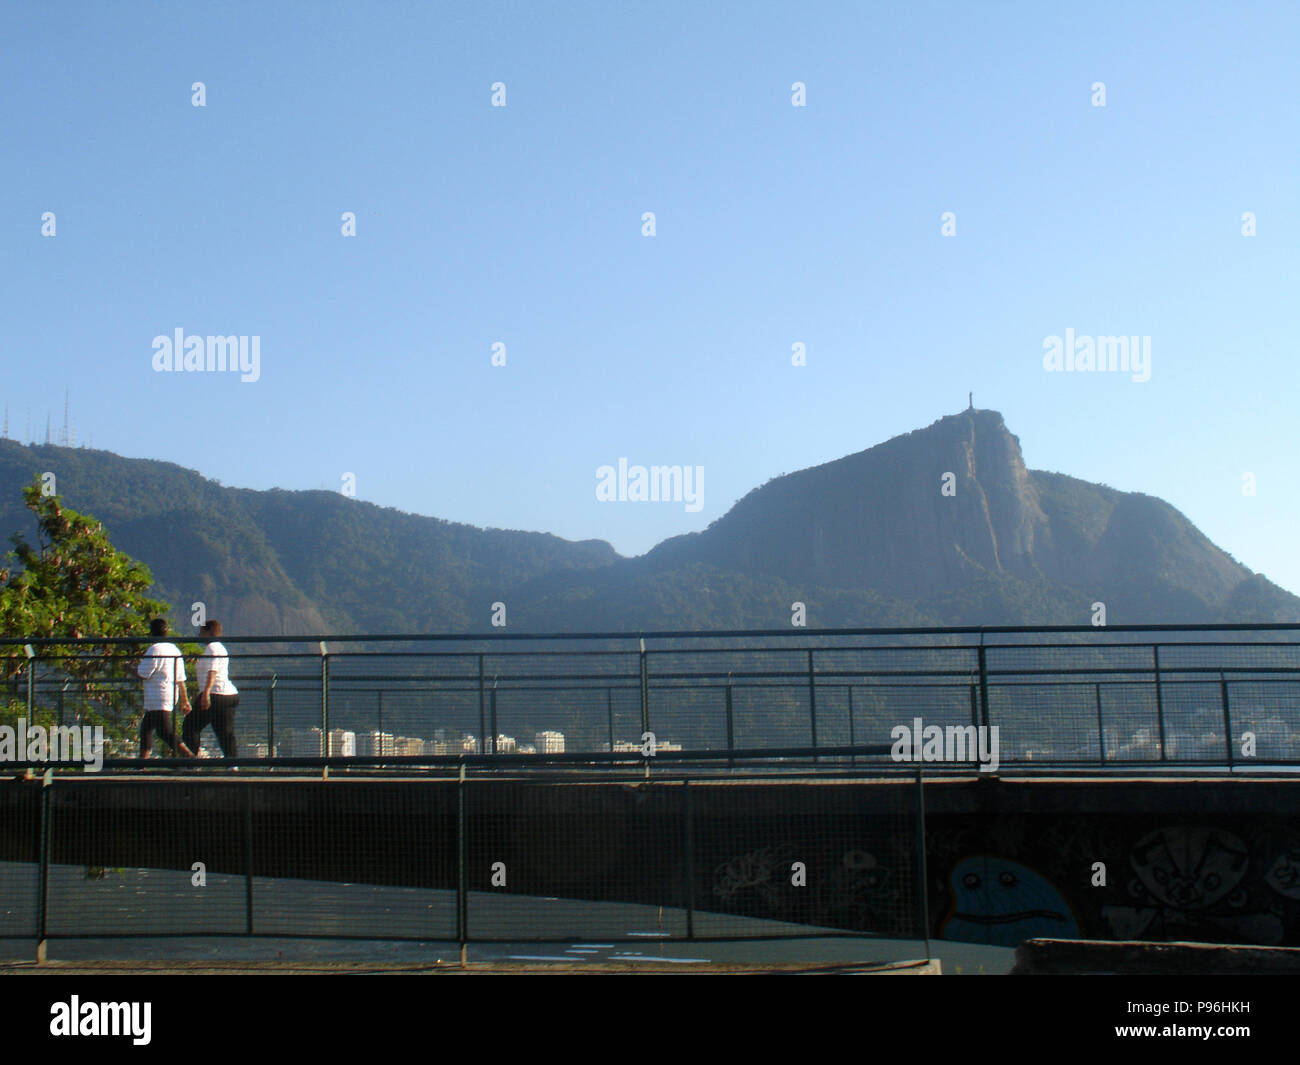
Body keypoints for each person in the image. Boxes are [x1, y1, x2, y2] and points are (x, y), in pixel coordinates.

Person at [137, 618, 194, 758]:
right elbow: (181, 679)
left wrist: (130, 668)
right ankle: (141, 764)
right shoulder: (174, 650)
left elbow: (143, 673)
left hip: (157, 696)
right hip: (168, 695)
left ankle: (189, 757)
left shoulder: (154, 649)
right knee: (146, 729)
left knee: (165, 732)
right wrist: (184, 700)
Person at [182, 619, 240, 758]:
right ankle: (232, 764)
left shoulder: (212, 648)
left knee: (190, 726)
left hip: (215, 694)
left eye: (201, 632)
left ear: (208, 632)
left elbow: (212, 671)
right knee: (225, 732)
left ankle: (192, 762)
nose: (199, 635)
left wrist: (206, 693)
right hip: (228, 694)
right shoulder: (219, 647)